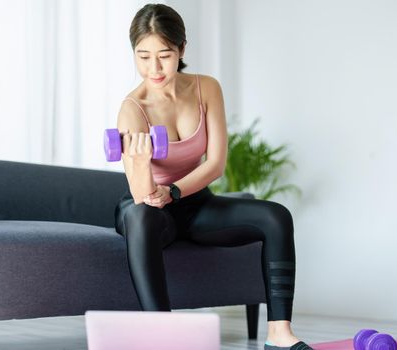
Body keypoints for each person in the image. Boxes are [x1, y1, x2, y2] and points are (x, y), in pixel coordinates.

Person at [114, 4, 313, 350]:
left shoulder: (207, 88)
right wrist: (142, 165)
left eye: (164, 55)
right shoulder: (132, 109)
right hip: (150, 212)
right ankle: (162, 337)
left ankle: (279, 334)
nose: (154, 68)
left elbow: (216, 163)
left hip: (194, 204)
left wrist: (174, 190)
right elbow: (141, 193)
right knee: (140, 215)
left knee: (276, 216)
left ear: (182, 50)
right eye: (143, 57)